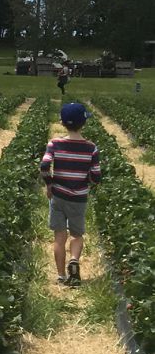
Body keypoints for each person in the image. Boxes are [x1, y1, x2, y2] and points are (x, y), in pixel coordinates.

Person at [40, 102, 102, 286]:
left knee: (59, 236)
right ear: (84, 123)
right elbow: (96, 176)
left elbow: (44, 165)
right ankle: (74, 260)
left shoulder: (55, 143)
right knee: (76, 234)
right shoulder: (91, 147)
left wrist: (49, 184)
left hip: (58, 196)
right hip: (79, 198)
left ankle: (61, 276)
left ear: (62, 122)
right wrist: (90, 181)